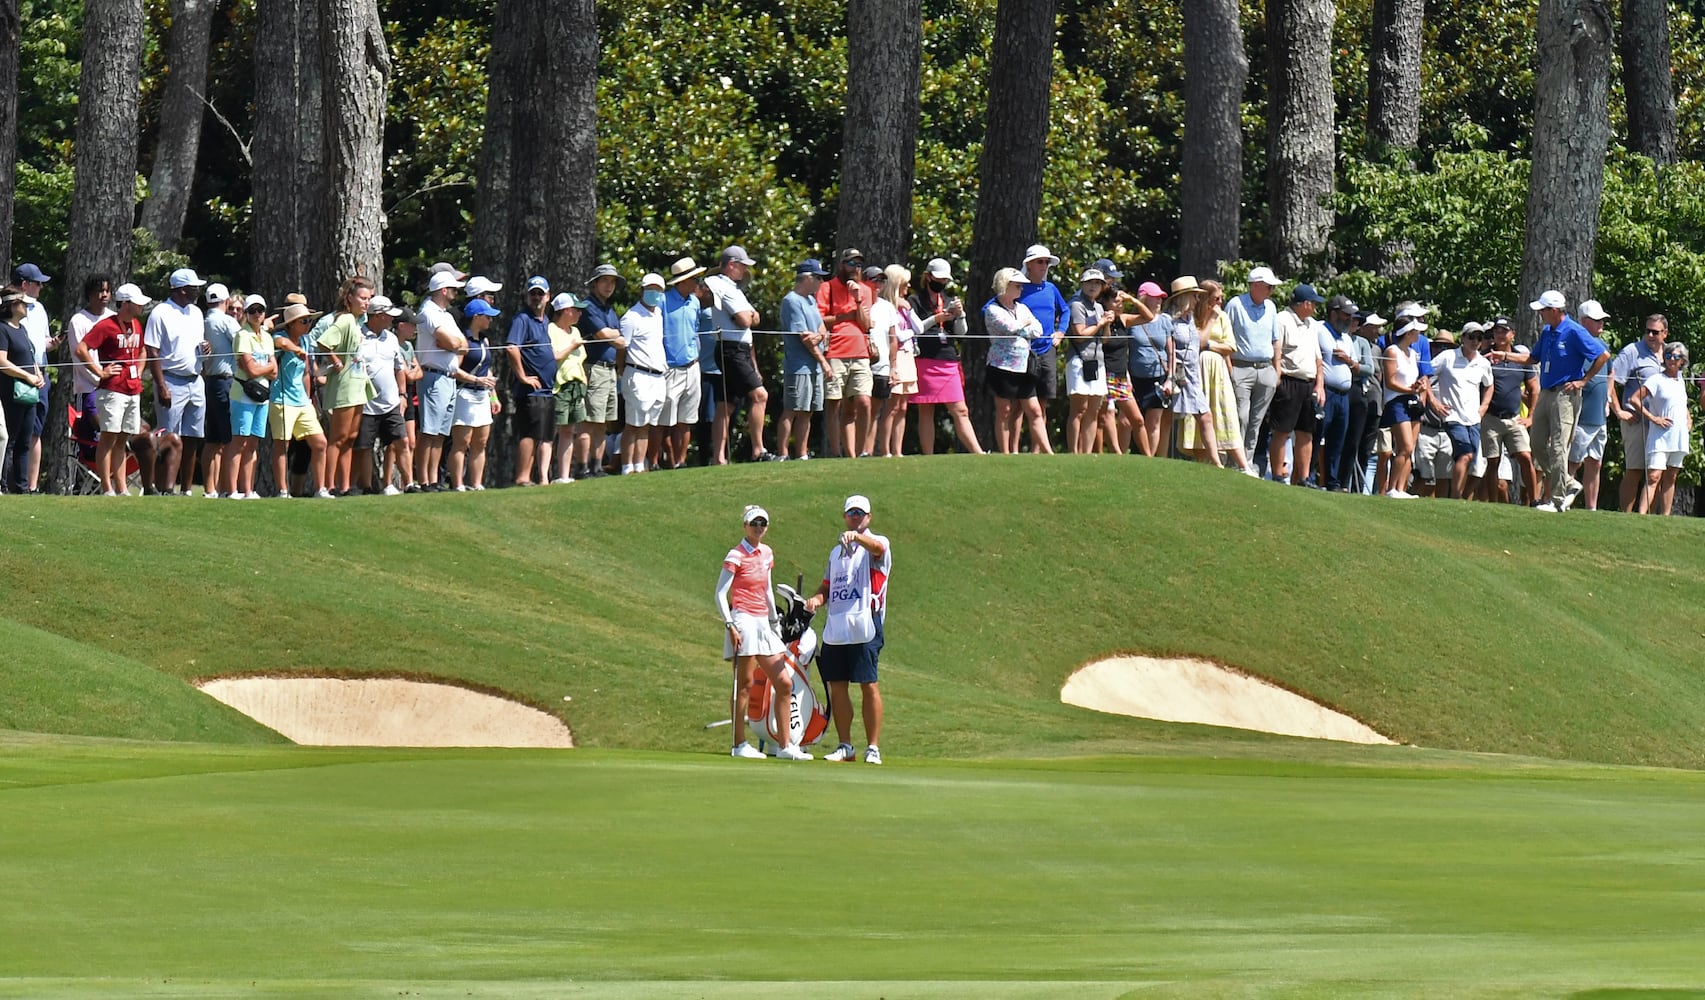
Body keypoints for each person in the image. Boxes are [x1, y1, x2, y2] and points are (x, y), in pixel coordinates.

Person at [717, 504, 811, 761]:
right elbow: (720, 594)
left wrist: (774, 621)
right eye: (754, 523)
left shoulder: (767, 553)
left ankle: (785, 746)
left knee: (784, 682)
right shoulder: (735, 555)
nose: (758, 527)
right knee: (744, 684)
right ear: (745, 526)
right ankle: (739, 744)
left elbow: (767, 590)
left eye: (763, 523)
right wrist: (730, 625)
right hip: (743, 620)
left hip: (763, 622)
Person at [804, 494, 891, 765]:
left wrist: (856, 538)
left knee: (868, 683)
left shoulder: (876, 542)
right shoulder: (836, 552)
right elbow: (828, 586)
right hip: (838, 623)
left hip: (866, 621)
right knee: (837, 686)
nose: (856, 517)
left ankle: (873, 747)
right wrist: (816, 600)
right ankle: (846, 746)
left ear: (869, 517)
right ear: (844, 516)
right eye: (851, 513)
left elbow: (878, 548)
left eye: (860, 513)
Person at [1529, 290, 1611, 512]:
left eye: (1543, 310)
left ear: (1554, 311)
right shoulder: (1548, 331)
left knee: (1558, 446)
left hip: (1566, 395)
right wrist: (1504, 356)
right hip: (1547, 392)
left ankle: (1557, 501)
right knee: (1536, 444)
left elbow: (1602, 355)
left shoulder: (1574, 330)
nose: (1541, 315)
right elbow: (1532, 358)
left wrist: (1583, 381)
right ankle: (1568, 482)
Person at [73, 283, 152, 496]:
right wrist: (100, 372)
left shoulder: (136, 324)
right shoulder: (106, 325)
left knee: (122, 439)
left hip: (132, 389)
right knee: (108, 437)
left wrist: (138, 368)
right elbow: (81, 349)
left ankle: (122, 488)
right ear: (125, 304)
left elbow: (143, 350)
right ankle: (107, 488)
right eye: (137, 303)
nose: (141, 307)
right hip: (112, 390)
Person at [907, 258, 983, 455]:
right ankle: (928, 456)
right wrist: (936, 319)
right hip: (924, 358)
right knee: (926, 408)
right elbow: (915, 329)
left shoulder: (949, 300)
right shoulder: (914, 300)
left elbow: (960, 333)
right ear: (928, 277)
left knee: (961, 409)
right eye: (938, 279)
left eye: (944, 280)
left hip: (947, 358)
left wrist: (961, 315)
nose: (941, 283)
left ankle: (978, 453)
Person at [706, 246, 774, 461]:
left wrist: (748, 315)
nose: (744, 270)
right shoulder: (721, 285)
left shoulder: (734, 289)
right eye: (742, 266)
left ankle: (719, 457)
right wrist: (747, 316)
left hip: (738, 349)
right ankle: (758, 450)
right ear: (731, 265)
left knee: (726, 405)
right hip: (731, 349)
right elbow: (746, 320)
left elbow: (755, 318)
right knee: (760, 395)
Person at [145, 267, 208, 495]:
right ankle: (163, 487)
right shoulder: (160, 312)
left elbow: (198, 345)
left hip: (195, 379)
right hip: (171, 380)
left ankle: (187, 489)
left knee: (193, 437)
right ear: (182, 290)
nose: (198, 291)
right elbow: (152, 351)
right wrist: (161, 385)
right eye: (194, 288)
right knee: (168, 438)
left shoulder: (197, 312)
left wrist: (206, 349)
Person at [1180, 279, 1253, 472]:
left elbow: (1230, 346)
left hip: (1217, 370)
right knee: (1201, 416)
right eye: (1215, 298)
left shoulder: (1223, 317)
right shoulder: (1191, 318)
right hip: (1197, 370)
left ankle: (1244, 465)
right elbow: (1197, 342)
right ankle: (1206, 465)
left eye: (1221, 298)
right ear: (1204, 298)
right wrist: (1210, 320)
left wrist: (1211, 346)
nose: (1220, 302)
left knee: (1226, 414)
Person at [315, 276, 376, 496]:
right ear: (349, 298)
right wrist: (335, 360)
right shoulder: (345, 320)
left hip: (358, 385)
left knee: (350, 437)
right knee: (338, 437)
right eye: (362, 298)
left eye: (369, 298)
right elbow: (323, 342)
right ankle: (328, 486)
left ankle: (345, 485)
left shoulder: (357, 322)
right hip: (344, 386)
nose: (366, 302)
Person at [983, 266, 1049, 454]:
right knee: (1004, 411)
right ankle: (1005, 453)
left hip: (1025, 366)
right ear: (1005, 285)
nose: (1021, 289)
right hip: (1001, 366)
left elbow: (1038, 330)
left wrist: (1024, 326)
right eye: (1018, 286)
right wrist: (1024, 325)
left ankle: (1048, 452)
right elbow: (1011, 328)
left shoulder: (1022, 308)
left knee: (1035, 410)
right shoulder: (992, 310)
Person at [414, 269, 468, 492]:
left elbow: (463, 344)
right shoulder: (429, 311)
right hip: (433, 376)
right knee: (428, 431)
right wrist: (451, 344)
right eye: (453, 289)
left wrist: (452, 344)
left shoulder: (445, 314)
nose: (456, 292)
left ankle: (434, 478)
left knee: (440, 433)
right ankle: (424, 480)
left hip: (447, 378)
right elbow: (450, 341)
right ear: (443, 290)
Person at [817, 247, 874, 458]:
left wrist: (857, 299)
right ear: (842, 265)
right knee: (834, 403)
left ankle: (862, 452)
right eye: (851, 263)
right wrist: (845, 316)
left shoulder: (866, 290)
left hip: (860, 351)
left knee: (863, 401)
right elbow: (820, 318)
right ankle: (838, 453)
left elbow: (866, 324)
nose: (856, 268)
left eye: (859, 264)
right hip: (834, 351)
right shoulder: (827, 287)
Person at [268, 302, 329, 496]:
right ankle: (283, 490)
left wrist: (308, 397)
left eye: (310, 320)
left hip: (302, 401)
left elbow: (305, 373)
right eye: (304, 321)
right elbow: (281, 344)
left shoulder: (305, 340)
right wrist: (295, 350)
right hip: (281, 400)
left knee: (320, 443)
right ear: (292, 323)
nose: (308, 324)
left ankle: (320, 489)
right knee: (282, 445)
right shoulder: (280, 337)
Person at [1609, 313, 1668, 512]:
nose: (1650, 335)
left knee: (1657, 473)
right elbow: (1610, 380)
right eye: (1647, 331)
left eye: (1655, 332)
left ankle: (1649, 521)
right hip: (1636, 421)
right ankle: (1626, 518)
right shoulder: (1632, 351)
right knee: (1634, 470)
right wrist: (1618, 411)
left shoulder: (1670, 355)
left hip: (1662, 424)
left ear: (1665, 333)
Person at [1267, 283, 1325, 485]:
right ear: (1305, 303)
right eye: (1314, 304)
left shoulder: (1312, 324)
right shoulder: (1282, 319)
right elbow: (1277, 349)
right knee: (1282, 430)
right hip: (1289, 380)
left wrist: (1320, 385)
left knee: (1306, 432)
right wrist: (1278, 378)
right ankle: (1276, 473)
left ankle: (1304, 477)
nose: (1316, 308)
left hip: (1308, 383)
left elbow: (1318, 358)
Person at [505, 276, 559, 486]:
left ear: (548, 296)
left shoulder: (544, 320)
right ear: (527, 296)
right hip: (531, 390)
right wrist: (522, 376)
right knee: (529, 433)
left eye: (540, 293)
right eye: (533, 293)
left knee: (543, 435)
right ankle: (522, 477)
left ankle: (540, 478)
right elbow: (511, 347)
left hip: (546, 389)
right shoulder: (522, 319)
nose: (536, 297)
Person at [1160, 276, 1220, 466]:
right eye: (1194, 296)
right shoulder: (1169, 320)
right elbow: (1168, 349)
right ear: (1185, 297)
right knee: (1168, 418)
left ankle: (1216, 462)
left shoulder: (1190, 320)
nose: (1197, 300)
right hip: (1176, 374)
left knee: (1205, 416)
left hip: (1191, 376)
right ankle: (1159, 459)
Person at [1626, 342, 1691, 516]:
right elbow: (1634, 399)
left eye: (1676, 357)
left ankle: (1666, 516)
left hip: (1678, 435)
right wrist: (1653, 418)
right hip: (1660, 435)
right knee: (1654, 476)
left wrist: (1688, 417)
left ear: (1682, 361)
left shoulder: (1681, 380)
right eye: (1668, 356)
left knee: (1671, 476)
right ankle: (1641, 514)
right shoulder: (1656, 379)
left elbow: (1681, 403)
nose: (1671, 359)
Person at [222, 294, 276, 499]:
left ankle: (248, 490)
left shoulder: (268, 337)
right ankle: (232, 490)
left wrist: (262, 367)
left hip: (261, 395)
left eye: (260, 310)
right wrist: (266, 367)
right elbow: (251, 370)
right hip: (243, 395)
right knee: (239, 442)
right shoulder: (242, 335)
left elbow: (274, 371)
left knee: (253, 443)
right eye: (252, 311)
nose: (256, 314)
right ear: (246, 313)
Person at [1430, 325, 1494, 499]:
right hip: (1452, 416)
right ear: (1463, 338)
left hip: (1473, 418)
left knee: (1470, 460)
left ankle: (1457, 497)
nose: (1475, 342)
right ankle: (1456, 498)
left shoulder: (1483, 362)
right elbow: (1425, 375)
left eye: (1479, 338)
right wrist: (1434, 401)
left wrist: (1484, 407)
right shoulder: (1447, 357)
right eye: (1472, 337)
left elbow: (1489, 385)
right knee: (1465, 454)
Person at [1225, 265, 1281, 463]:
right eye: (1268, 287)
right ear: (1256, 285)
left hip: (1266, 370)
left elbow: (1276, 340)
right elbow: (1225, 337)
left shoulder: (1271, 307)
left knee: (1256, 421)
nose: (1271, 291)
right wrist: (1230, 371)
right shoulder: (1235, 305)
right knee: (1241, 417)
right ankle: (1235, 461)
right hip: (1240, 367)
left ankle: (1246, 462)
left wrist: (1277, 370)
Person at [354, 295, 408, 496]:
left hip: (391, 402)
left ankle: (409, 483)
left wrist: (402, 395)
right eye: (388, 316)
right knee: (365, 447)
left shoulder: (392, 338)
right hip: (366, 403)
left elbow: (399, 368)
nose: (391, 320)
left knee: (401, 441)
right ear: (377, 316)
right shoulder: (358, 335)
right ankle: (366, 487)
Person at [1480, 317, 1537, 504]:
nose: (1500, 335)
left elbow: (1533, 388)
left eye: (1504, 331)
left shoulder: (1521, 359)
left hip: (1514, 419)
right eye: (1497, 331)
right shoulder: (1484, 357)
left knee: (1525, 457)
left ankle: (1533, 500)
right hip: (1490, 418)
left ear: (1513, 334)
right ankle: (1494, 503)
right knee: (1493, 461)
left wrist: (1531, 416)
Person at [1016, 245, 1069, 445]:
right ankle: (1012, 451)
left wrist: (1061, 332)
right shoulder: (1018, 287)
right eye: (1040, 261)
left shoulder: (1051, 289)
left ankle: (1038, 452)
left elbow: (1065, 311)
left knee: (1042, 403)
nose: (1044, 265)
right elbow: (993, 306)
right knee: (1018, 405)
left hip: (1047, 350)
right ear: (1028, 264)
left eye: (1046, 262)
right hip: (1023, 351)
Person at [618, 272, 671, 474]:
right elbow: (622, 348)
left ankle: (639, 465)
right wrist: (621, 370)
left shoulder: (658, 313)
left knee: (647, 424)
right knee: (633, 423)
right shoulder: (631, 317)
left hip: (657, 375)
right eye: (650, 290)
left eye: (658, 290)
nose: (654, 294)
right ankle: (626, 466)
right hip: (637, 373)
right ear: (642, 290)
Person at [778, 259, 831, 461]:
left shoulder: (811, 300)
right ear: (807, 278)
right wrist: (824, 361)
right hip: (798, 366)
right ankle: (783, 454)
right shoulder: (791, 301)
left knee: (807, 411)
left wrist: (819, 336)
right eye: (818, 278)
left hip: (813, 367)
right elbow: (804, 339)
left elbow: (821, 330)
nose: (820, 282)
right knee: (792, 409)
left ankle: (802, 454)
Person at [577, 264, 626, 477]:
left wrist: (614, 336)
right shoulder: (588, 307)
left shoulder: (609, 309)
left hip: (609, 370)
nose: (609, 285)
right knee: (589, 421)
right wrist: (615, 336)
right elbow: (605, 334)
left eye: (612, 281)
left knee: (602, 422)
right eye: (605, 280)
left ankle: (597, 466)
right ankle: (582, 467)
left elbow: (618, 338)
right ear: (595, 283)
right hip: (594, 368)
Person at [448, 299, 501, 491]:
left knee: (481, 441)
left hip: (482, 396)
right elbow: (455, 369)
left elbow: (487, 370)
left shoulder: (485, 341)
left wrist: (493, 396)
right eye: (487, 316)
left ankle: (477, 483)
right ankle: (458, 484)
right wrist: (475, 380)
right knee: (462, 441)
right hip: (465, 394)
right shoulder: (464, 341)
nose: (490, 320)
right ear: (476, 317)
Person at [12, 264, 55, 493]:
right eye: (37, 283)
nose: (41, 287)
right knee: (14, 432)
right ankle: (10, 482)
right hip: (19, 376)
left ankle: (32, 486)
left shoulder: (40, 309)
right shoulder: (10, 308)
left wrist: (53, 344)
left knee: (35, 430)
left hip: (42, 375)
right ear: (25, 284)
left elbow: (44, 341)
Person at [1567, 301, 1613, 511]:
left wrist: (1609, 399)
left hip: (1599, 416)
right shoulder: (1576, 346)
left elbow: (1610, 373)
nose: (1601, 324)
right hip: (1581, 416)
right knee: (1573, 461)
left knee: (1595, 463)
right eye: (1597, 321)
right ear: (1584, 322)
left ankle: (1591, 508)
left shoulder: (1602, 347)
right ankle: (1559, 499)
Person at [0, 286, 47, 492]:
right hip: (11, 392)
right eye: (23, 303)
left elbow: (30, 355)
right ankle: (3, 484)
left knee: (25, 442)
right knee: (9, 440)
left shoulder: (23, 329)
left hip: (29, 393)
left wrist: (37, 374)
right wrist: (26, 375)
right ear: (12, 305)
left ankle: (22, 487)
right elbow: (2, 361)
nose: (27, 306)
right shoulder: (2, 329)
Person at [658, 261, 704, 469]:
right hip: (670, 367)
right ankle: (660, 460)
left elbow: (694, 331)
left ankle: (681, 461)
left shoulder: (694, 302)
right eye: (695, 278)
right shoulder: (663, 302)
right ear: (683, 281)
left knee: (686, 418)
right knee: (665, 420)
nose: (697, 282)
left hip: (692, 365)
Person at [1065, 267, 1112, 454]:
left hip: (1097, 362)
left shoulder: (1099, 307)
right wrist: (1100, 323)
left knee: (1093, 409)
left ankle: (1086, 453)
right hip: (1079, 360)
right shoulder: (1076, 305)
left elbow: (1105, 339)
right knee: (1079, 409)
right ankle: (1073, 452)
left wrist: (1106, 324)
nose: (1093, 286)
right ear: (1082, 284)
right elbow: (1079, 335)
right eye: (1090, 282)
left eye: (1097, 283)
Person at [199, 283, 241, 497]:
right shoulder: (226, 321)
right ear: (226, 301)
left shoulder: (204, 321)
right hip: (226, 381)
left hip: (211, 382)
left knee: (213, 439)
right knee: (229, 438)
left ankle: (210, 489)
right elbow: (244, 342)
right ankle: (227, 488)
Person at [1380, 318, 1428, 499]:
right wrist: (1411, 389)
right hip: (1397, 402)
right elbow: (1391, 382)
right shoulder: (1392, 351)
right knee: (1405, 447)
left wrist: (1418, 388)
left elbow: (1412, 379)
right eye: (1416, 331)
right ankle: (1391, 489)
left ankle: (1401, 489)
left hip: (1412, 402)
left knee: (1411, 448)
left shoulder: (1412, 353)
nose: (1419, 335)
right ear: (1408, 333)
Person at [1316, 296, 1360, 490]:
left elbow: (1358, 367)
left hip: (1344, 395)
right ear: (1333, 313)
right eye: (1346, 314)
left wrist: (1348, 360)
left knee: (1337, 439)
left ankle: (1332, 481)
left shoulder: (1347, 339)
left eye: (1351, 315)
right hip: (1326, 391)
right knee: (1318, 434)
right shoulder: (1319, 330)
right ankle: (1308, 475)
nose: (1350, 319)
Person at [66, 275, 113, 455]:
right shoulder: (78, 321)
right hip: (88, 389)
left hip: (113, 388)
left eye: (107, 291)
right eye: (99, 291)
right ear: (89, 294)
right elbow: (80, 358)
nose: (104, 295)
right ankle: (81, 481)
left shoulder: (113, 318)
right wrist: (101, 376)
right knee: (89, 433)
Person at [876, 265, 919, 458]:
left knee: (903, 406)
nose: (908, 286)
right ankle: (885, 450)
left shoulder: (904, 307)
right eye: (904, 283)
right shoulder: (886, 307)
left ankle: (898, 450)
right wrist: (909, 331)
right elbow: (898, 336)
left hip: (908, 356)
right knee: (892, 406)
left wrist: (909, 311)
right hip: (895, 356)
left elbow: (918, 328)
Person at [547, 292, 589, 483]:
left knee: (569, 430)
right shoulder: (551, 329)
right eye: (576, 310)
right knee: (553, 431)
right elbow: (554, 355)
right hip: (560, 386)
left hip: (576, 385)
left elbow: (580, 359)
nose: (580, 314)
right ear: (565, 310)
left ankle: (564, 475)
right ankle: (545, 475)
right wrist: (572, 347)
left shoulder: (576, 332)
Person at [1127, 281, 1171, 457]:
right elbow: (1125, 350)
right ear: (1144, 299)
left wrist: (1171, 378)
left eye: (1160, 298)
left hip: (1158, 377)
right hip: (1135, 377)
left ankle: (1149, 459)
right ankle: (1126, 456)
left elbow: (1171, 351)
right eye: (1155, 298)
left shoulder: (1165, 321)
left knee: (1154, 422)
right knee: (1128, 421)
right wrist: (1126, 376)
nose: (1159, 301)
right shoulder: (1131, 320)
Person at [1345, 310, 1385, 493]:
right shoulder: (1350, 342)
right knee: (1351, 442)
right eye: (1374, 327)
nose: (1378, 331)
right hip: (1357, 398)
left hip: (1374, 402)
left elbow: (1374, 371)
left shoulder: (1376, 348)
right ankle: (1345, 482)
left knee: (1366, 448)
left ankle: (1358, 487)